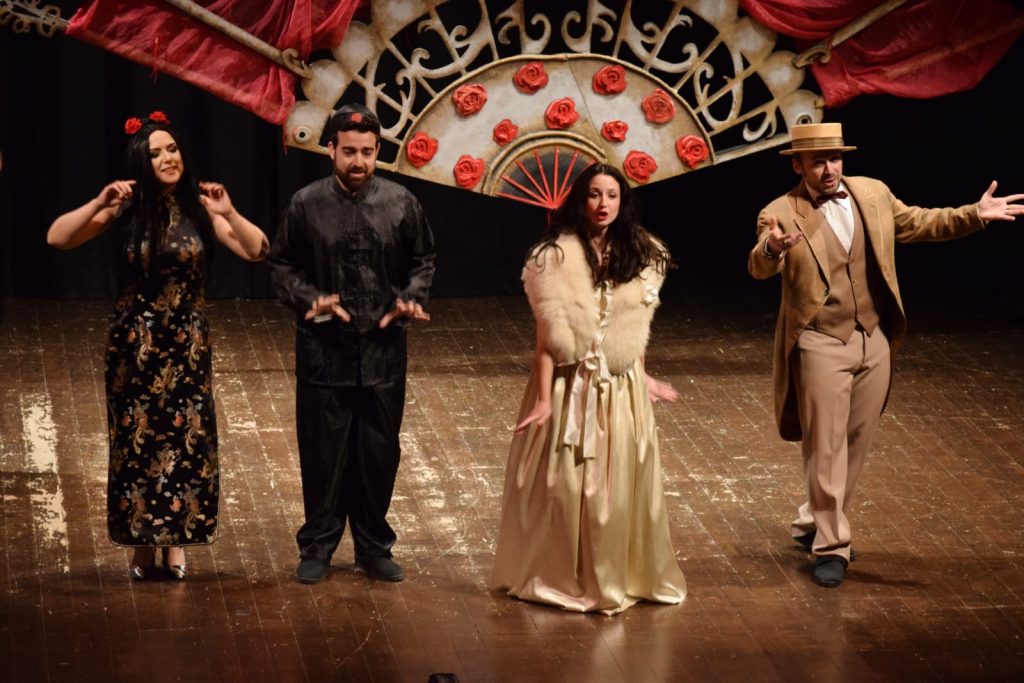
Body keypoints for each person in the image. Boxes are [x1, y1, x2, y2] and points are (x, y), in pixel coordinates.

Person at [749, 122, 1023, 588]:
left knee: (857, 439)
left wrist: (974, 214)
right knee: (825, 445)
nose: (829, 169)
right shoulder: (778, 212)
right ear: (798, 166)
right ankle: (831, 545)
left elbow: (919, 223)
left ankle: (814, 521)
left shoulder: (872, 193)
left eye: (835, 158)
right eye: (818, 161)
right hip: (821, 338)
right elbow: (758, 265)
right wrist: (772, 249)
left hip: (872, 335)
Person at [47, 111, 269, 580]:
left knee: (187, 443)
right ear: (140, 162)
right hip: (134, 348)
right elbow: (57, 237)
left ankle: (177, 543)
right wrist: (99, 201)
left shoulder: (201, 207)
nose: (168, 158)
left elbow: (256, 250)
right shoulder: (125, 210)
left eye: (172, 149)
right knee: (137, 444)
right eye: (156, 153)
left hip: (188, 348)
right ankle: (141, 544)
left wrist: (230, 212)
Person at [489, 163, 687, 614]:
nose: (603, 204)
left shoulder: (641, 253)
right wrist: (544, 399)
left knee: (616, 488)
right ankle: (562, 575)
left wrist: (643, 377)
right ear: (581, 200)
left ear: (623, 201)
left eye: (612, 195)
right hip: (568, 386)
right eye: (595, 194)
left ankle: (618, 574)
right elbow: (546, 339)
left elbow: (634, 331)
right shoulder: (555, 258)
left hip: (620, 389)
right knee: (564, 485)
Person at [267, 104, 436, 585]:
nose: (357, 161)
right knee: (323, 454)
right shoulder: (306, 204)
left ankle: (373, 547)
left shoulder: (401, 203)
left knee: (378, 454)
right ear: (331, 151)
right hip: (325, 351)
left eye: (366, 152)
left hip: (383, 352)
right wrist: (311, 298)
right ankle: (318, 546)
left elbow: (423, 259)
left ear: (377, 151)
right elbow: (281, 264)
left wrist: (409, 299)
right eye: (348, 152)